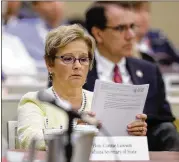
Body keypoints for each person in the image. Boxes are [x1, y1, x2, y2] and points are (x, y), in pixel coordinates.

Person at [17, 24, 147, 150]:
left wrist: (132, 134)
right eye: (68, 59)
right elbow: (31, 141)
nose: (78, 66)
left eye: (84, 59)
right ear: (49, 63)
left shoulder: (101, 101)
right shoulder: (34, 101)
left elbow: (117, 146)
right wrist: (83, 131)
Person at [84, 2, 179, 151]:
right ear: (98, 34)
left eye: (132, 27)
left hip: (141, 150)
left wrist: (143, 126)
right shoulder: (76, 69)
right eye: (121, 28)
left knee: (168, 131)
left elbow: (164, 121)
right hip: (92, 148)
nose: (131, 36)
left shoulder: (149, 70)